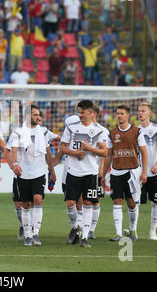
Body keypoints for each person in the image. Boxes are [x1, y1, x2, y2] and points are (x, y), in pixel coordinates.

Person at [6, 104, 58, 246]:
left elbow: (52, 148)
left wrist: (52, 171)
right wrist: (15, 164)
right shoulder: (18, 132)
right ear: (28, 116)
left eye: (38, 114)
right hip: (23, 173)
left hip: (39, 172)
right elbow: (13, 150)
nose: (38, 117)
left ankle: (36, 234)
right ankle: (27, 234)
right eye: (35, 114)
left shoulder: (44, 132)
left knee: (38, 200)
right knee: (26, 204)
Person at [59, 100, 107, 249]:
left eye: (82, 112)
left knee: (88, 203)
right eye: (78, 112)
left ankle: (85, 237)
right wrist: (75, 152)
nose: (79, 115)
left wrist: (89, 149)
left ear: (91, 113)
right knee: (70, 203)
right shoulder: (71, 128)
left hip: (90, 173)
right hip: (73, 171)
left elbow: (104, 151)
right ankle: (75, 227)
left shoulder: (99, 130)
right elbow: (62, 147)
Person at [102, 105, 148, 242]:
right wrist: (104, 174)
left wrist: (144, 172)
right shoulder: (111, 133)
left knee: (131, 202)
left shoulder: (137, 131)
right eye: (117, 113)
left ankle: (133, 229)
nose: (119, 116)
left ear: (128, 115)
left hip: (132, 172)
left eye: (122, 113)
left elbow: (144, 152)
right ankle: (118, 233)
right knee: (117, 201)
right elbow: (109, 155)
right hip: (116, 172)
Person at [137, 102, 157, 241]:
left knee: (155, 202)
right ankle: (133, 231)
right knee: (134, 202)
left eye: (143, 111)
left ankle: (152, 233)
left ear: (149, 113)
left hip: (154, 172)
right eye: (139, 111)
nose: (140, 113)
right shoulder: (135, 130)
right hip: (138, 173)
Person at [88, 105, 110, 240]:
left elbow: (105, 152)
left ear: (94, 114)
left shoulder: (103, 131)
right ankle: (80, 227)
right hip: (82, 170)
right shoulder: (80, 127)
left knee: (95, 200)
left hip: (95, 170)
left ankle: (91, 229)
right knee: (81, 200)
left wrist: (101, 168)